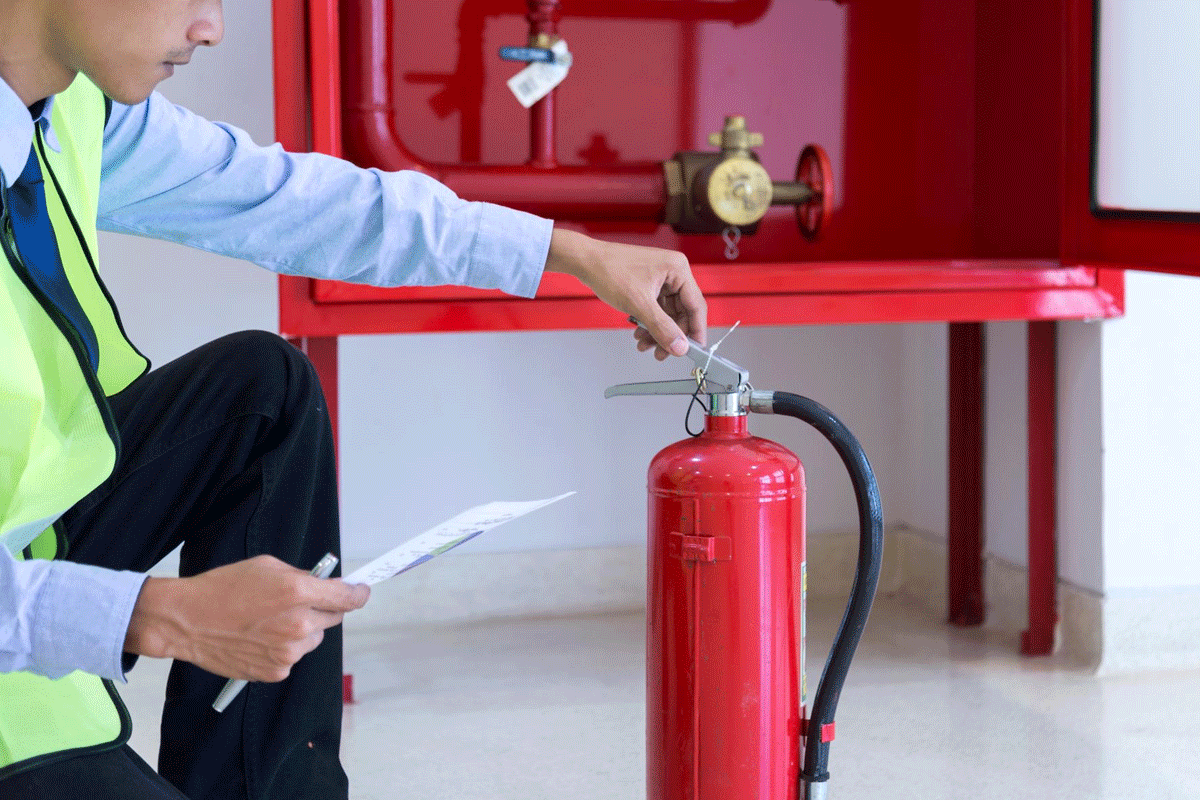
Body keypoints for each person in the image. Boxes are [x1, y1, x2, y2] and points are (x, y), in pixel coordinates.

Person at [0, 1, 707, 798]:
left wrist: (567, 252)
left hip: (29, 530)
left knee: (263, 389)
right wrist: (158, 614)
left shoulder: (72, 111)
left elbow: (298, 202)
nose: (212, 28)